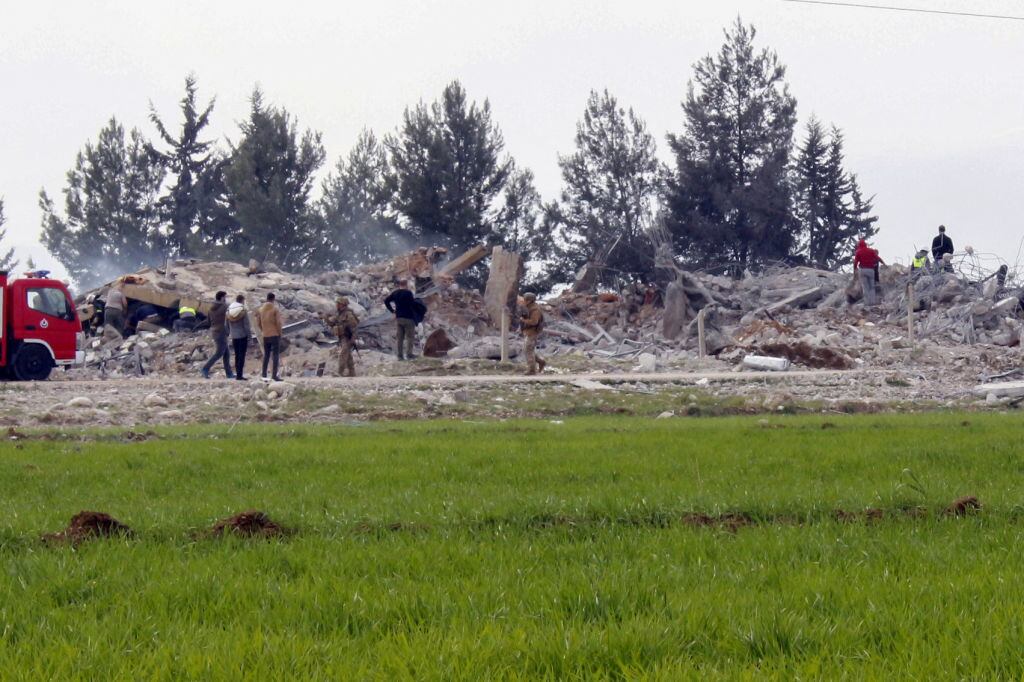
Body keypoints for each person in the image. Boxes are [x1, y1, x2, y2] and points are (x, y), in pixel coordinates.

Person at [201, 291, 233, 379]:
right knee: (219, 353)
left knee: (226, 354)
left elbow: (208, 321)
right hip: (221, 332)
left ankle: (229, 374)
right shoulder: (224, 306)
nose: (226, 299)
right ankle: (205, 368)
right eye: (225, 297)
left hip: (215, 332)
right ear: (222, 298)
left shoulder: (211, 308)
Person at [384, 279, 418, 360]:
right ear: (406, 284)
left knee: (400, 338)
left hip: (399, 318)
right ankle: (409, 354)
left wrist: (392, 311)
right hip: (409, 318)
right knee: (410, 337)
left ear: (399, 285)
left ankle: (400, 356)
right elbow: (413, 304)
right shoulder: (408, 293)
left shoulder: (395, 293)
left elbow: (386, 301)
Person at [328, 297, 360, 377]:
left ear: (343, 305)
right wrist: (325, 318)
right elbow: (332, 323)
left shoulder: (348, 314)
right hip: (342, 337)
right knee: (348, 355)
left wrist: (353, 338)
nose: (336, 305)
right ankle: (352, 373)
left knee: (343, 353)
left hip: (348, 337)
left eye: (338, 304)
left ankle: (340, 372)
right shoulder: (339, 314)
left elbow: (355, 327)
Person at [256, 292, 283, 381]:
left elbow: (258, 323)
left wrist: (263, 330)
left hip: (265, 335)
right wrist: (280, 333)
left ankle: (264, 374)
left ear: (266, 299)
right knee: (275, 355)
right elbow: (278, 323)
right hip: (274, 334)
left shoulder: (261, 310)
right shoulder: (275, 309)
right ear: (273, 299)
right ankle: (274, 375)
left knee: (266, 355)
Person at [519, 292, 546, 375]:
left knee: (528, 350)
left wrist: (523, 320)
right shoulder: (529, 308)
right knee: (528, 349)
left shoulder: (535, 310)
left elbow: (534, 322)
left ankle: (531, 370)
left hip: (533, 332)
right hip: (528, 331)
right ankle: (541, 362)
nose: (523, 301)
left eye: (525, 300)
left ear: (529, 301)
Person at [227, 294, 251, 381]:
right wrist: (250, 337)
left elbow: (227, 324)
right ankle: (240, 375)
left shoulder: (229, 310)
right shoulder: (243, 310)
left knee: (237, 355)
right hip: (242, 335)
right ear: (242, 300)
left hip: (234, 336)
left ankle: (238, 374)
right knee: (242, 355)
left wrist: (228, 333)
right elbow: (246, 325)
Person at [853, 239, 883, 306]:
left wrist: (855, 269)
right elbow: (878, 258)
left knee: (865, 287)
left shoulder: (858, 252)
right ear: (865, 244)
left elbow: (855, 262)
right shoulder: (871, 251)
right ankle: (872, 302)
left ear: (859, 245)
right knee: (872, 286)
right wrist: (883, 263)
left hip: (862, 270)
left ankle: (867, 303)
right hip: (871, 270)